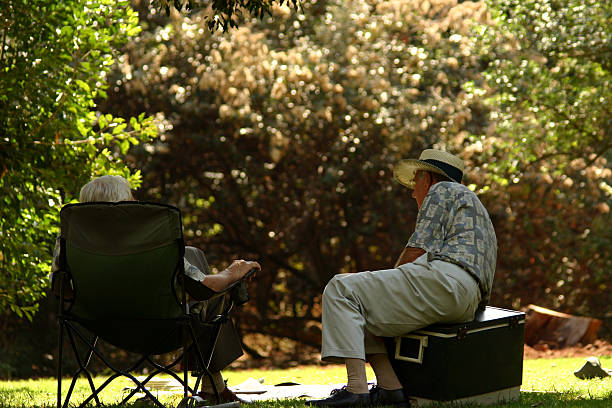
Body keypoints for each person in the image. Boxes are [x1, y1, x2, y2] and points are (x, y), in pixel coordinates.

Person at [307, 149, 497, 407]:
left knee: (341, 288)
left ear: (428, 179)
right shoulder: (474, 206)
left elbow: (419, 247)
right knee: (361, 309)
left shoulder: (441, 191)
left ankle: (356, 390)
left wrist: (393, 277)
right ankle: (390, 389)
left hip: (446, 281)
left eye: (415, 180)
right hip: (466, 300)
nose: (412, 191)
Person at [50, 175, 260, 403]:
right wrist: (234, 271)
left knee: (192, 255)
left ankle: (214, 387)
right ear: (125, 205)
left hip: (101, 325)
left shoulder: (69, 241)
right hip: (163, 327)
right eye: (131, 196)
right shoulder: (153, 240)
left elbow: (61, 289)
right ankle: (213, 387)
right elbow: (204, 287)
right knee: (212, 299)